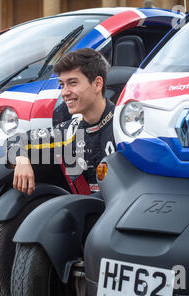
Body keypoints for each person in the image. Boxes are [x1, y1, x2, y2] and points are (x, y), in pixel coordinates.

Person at [7, 48, 115, 196]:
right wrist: (21, 160)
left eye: (72, 83)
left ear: (97, 84)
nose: (64, 93)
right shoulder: (71, 131)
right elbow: (15, 140)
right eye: (62, 85)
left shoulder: (125, 127)